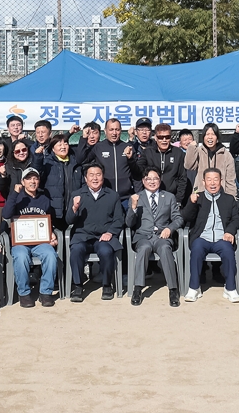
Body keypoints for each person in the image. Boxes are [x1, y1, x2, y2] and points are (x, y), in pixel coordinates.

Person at [66, 163, 124, 302]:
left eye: (98, 174)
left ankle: (106, 285)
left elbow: (119, 219)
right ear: (85, 178)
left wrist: (110, 232)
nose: (95, 178)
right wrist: (74, 208)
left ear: (103, 177)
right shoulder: (77, 195)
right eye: (91, 175)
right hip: (82, 235)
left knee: (106, 251)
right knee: (76, 250)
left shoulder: (112, 195)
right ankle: (78, 286)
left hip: (103, 236)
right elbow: (69, 220)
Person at [126, 168, 183, 307]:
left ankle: (173, 289)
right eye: (148, 179)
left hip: (161, 236)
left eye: (155, 178)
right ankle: (138, 288)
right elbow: (129, 223)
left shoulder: (169, 197)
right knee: (144, 248)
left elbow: (178, 218)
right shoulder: (136, 197)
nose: (152, 182)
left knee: (165, 248)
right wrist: (133, 208)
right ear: (143, 181)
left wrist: (170, 228)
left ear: (160, 180)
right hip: (143, 236)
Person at [181, 168, 239, 302]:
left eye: (216, 179)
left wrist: (230, 231)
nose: (212, 183)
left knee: (228, 251)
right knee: (196, 249)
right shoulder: (198, 197)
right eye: (209, 179)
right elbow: (186, 217)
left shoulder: (229, 199)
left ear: (221, 181)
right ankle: (194, 288)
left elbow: (236, 219)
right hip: (202, 237)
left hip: (221, 237)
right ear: (203, 181)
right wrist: (191, 203)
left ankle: (230, 288)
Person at [2, 167, 58, 308]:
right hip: (21, 242)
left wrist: (52, 233)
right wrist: (14, 194)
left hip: (40, 241)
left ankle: (46, 292)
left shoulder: (44, 198)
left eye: (35, 178)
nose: (32, 181)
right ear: (23, 181)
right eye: (29, 178)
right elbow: (7, 214)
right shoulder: (17, 197)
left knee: (51, 255)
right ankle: (24, 293)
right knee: (21, 257)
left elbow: (49, 220)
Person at [74, 118, 137, 208]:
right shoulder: (98, 147)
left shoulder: (128, 147)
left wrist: (130, 159)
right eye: (111, 130)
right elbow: (80, 160)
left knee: (126, 222)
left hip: (125, 198)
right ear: (105, 131)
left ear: (121, 130)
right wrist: (83, 138)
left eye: (117, 129)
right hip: (105, 197)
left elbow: (136, 171)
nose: (114, 133)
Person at [132, 123, 187, 205]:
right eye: (161, 137)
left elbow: (182, 178)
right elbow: (138, 171)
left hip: (172, 197)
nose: (164, 140)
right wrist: (130, 160)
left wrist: (178, 200)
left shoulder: (178, 153)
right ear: (155, 138)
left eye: (167, 137)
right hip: (151, 197)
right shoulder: (148, 152)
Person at [41, 131, 83, 231]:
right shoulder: (47, 163)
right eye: (59, 144)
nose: (63, 147)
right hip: (55, 210)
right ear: (53, 149)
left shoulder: (76, 162)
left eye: (65, 143)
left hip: (73, 207)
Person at [184, 123, 237, 197]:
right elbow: (188, 165)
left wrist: (232, 197)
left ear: (217, 137)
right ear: (203, 137)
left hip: (220, 195)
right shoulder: (199, 151)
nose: (210, 137)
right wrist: (191, 147)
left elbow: (230, 180)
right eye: (207, 134)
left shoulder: (226, 154)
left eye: (213, 134)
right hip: (201, 194)